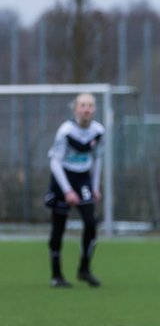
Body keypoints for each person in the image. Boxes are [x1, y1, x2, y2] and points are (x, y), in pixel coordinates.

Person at [44, 92, 105, 288]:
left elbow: (97, 159)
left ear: (94, 109)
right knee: (58, 228)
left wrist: (95, 187)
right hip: (63, 178)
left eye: (90, 105)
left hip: (83, 178)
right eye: (83, 105)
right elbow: (55, 162)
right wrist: (67, 190)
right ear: (76, 109)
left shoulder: (98, 131)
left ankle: (84, 269)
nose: (86, 109)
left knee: (90, 222)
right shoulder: (66, 131)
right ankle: (56, 275)